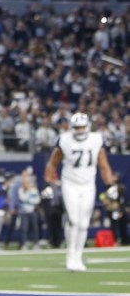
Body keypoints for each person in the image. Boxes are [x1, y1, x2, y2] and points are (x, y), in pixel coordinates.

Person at [44, 112, 115, 272]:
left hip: (88, 184)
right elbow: (52, 163)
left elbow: (103, 164)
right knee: (74, 220)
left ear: (88, 127)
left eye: (82, 127)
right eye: (77, 127)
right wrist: (48, 183)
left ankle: (79, 256)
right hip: (70, 183)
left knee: (83, 223)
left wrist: (109, 184)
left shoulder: (96, 139)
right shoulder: (65, 140)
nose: (80, 130)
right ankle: (70, 255)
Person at [99, 172, 128, 246]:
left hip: (117, 210)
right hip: (112, 210)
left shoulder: (120, 188)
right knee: (114, 226)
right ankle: (114, 240)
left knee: (122, 225)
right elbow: (104, 198)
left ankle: (124, 240)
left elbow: (122, 200)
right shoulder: (108, 188)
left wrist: (121, 210)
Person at [17, 173, 41, 250]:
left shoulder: (34, 190)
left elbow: (37, 201)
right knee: (24, 228)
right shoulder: (21, 189)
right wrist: (28, 192)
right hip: (24, 212)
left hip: (33, 211)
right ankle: (24, 244)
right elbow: (23, 198)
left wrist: (29, 199)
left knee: (35, 228)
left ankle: (36, 243)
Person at [40, 178, 65, 248]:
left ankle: (59, 242)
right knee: (51, 227)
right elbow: (44, 199)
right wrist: (46, 209)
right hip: (50, 208)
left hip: (58, 208)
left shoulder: (59, 186)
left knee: (59, 226)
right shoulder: (46, 186)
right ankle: (51, 242)